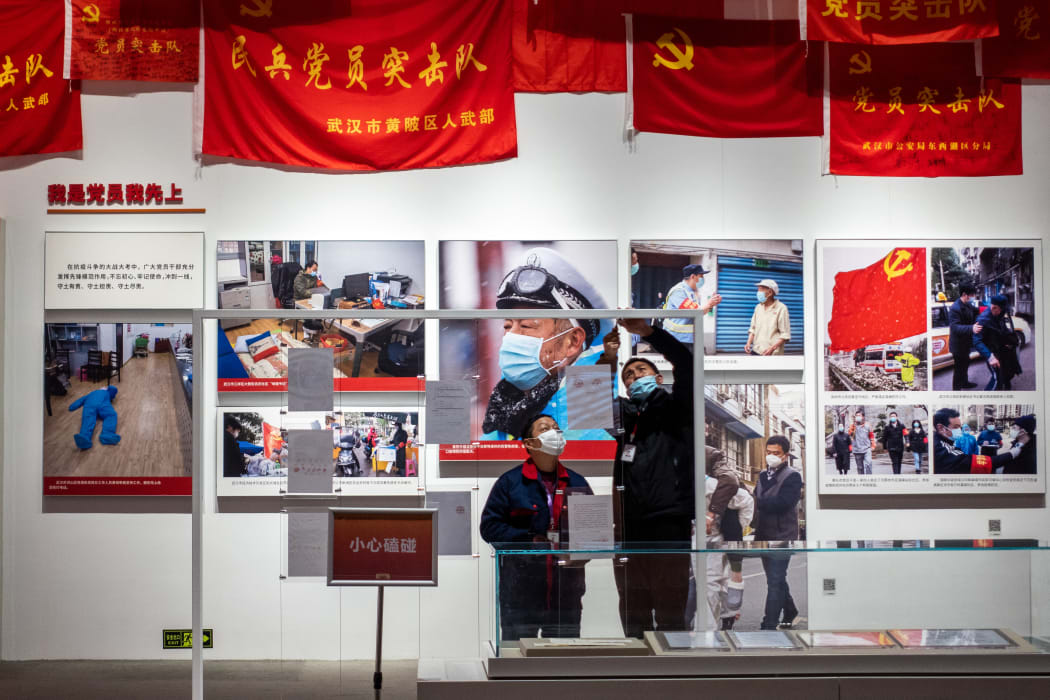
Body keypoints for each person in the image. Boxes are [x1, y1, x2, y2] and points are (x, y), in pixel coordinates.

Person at [613, 317, 739, 637]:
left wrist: (650, 333)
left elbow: (686, 361)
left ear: (658, 377)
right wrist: (607, 358)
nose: (634, 377)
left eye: (640, 371)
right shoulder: (624, 417)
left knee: (670, 610)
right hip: (630, 526)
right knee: (633, 609)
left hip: (670, 521)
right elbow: (586, 401)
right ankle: (634, 679)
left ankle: (671, 679)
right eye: (628, 375)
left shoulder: (680, 408)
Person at [480, 414, 592, 642]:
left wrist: (587, 549)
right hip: (521, 591)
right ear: (529, 443)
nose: (555, 433)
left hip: (566, 592)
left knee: (564, 662)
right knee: (517, 662)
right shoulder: (510, 483)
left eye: (557, 428)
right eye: (545, 428)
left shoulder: (577, 482)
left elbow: (591, 531)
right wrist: (528, 540)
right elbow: (490, 527)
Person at [482, 247, 613, 441]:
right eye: (508, 326)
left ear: (573, 341)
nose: (511, 337)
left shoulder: (592, 406)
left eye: (527, 325)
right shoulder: (505, 406)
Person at [754, 435, 803, 630]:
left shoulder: (793, 476)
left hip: (783, 536)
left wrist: (758, 504)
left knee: (774, 580)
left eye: (776, 453)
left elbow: (784, 503)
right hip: (764, 535)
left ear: (785, 455)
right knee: (775, 578)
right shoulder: (761, 476)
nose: (771, 456)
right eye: (768, 452)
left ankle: (769, 624)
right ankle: (790, 610)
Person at [704, 477, 753, 631]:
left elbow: (745, 499)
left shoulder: (710, 484)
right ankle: (726, 616)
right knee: (715, 581)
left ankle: (710, 627)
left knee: (711, 581)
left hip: (718, 537)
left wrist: (741, 525)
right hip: (715, 537)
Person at [932, 408, 1027, 474]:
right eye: (956, 427)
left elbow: (977, 448)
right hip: (983, 458)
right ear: (941, 428)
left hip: (992, 454)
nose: (960, 430)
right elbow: (974, 459)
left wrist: (999, 445)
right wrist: (1015, 452)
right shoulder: (942, 449)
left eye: (960, 427)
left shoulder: (997, 434)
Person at [663, 263, 722, 350]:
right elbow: (694, 312)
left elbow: (701, 312)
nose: (703, 279)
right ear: (693, 277)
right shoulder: (679, 291)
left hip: (689, 339)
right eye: (701, 276)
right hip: (676, 338)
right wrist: (709, 303)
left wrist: (712, 304)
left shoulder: (692, 292)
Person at [974, 294, 1022, 391]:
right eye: (1001, 310)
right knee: (997, 378)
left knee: (1009, 369)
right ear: (994, 307)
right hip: (991, 351)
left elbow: (1003, 328)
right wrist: (990, 357)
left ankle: (1006, 386)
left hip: (1000, 347)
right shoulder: (983, 320)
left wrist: (1009, 340)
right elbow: (977, 341)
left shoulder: (999, 313)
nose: (1002, 313)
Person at [743, 279, 790, 356]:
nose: (758, 292)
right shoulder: (758, 307)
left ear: (770, 292)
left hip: (771, 353)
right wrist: (748, 343)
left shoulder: (781, 308)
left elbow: (785, 334)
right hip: (756, 350)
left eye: (761, 289)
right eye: (758, 290)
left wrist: (772, 348)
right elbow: (753, 329)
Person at [947, 283, 981, 389]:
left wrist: (987, 309)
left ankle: (965, 383)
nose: (973, 297)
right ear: (965, 294)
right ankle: (956, 389)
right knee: (959, 368)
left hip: (966, 343)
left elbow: (976, 311)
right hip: (958, 345)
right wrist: (972, 328)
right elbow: (955, 327)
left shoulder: (967, 304)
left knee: (965, 364)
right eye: (972, 295)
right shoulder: (955, 308)